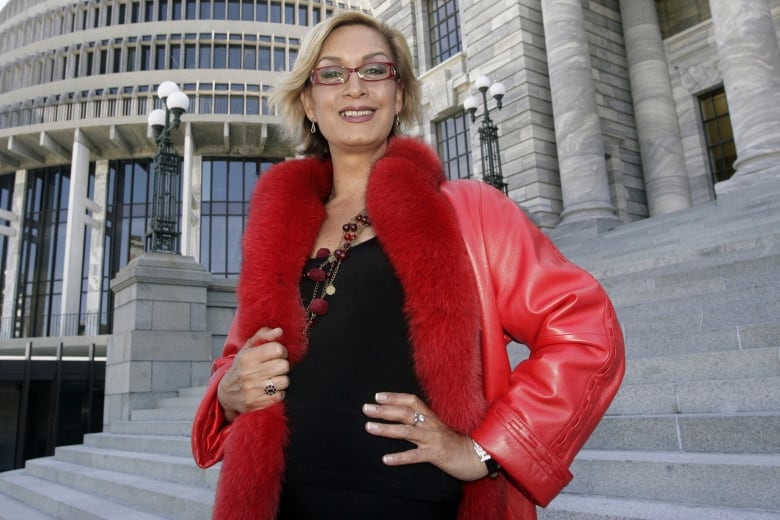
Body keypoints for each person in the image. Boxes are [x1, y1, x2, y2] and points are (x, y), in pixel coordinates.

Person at [191, 10, 625, 520]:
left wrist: (486, 451)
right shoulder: (278, 230)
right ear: (309, 101)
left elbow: (585, 330)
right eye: (332, 73)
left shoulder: (470, 210)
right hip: (281, 503)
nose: (354, 87)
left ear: (398, 96)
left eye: (374, 70)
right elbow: (239, 359)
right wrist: (229, 389)